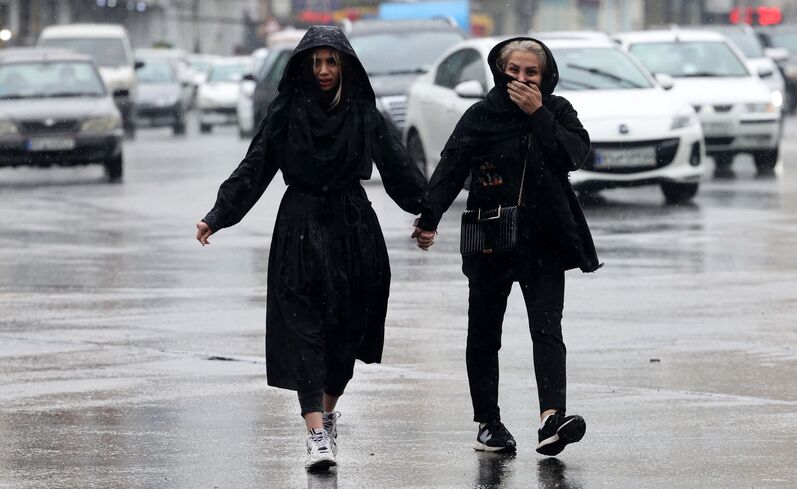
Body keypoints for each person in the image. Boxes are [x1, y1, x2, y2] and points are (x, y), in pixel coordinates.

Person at [196, 26, 434, 471]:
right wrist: (219, 214)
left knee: (345, 332)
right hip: (300, 226)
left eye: (331, 61)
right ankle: (316, 434)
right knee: (304, 329)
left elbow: (400, 168)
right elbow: (255, 167)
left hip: (352, 226)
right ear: (304, 65)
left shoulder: (364, 113)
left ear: (344, 65)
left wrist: (428, 213)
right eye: (316, 61)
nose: (323, 70)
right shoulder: (286, 113)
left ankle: (326, 413)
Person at [413, 37, 601, 456]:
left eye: (530, 73)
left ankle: (551, 420)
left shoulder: (558, 110)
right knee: (484, 334)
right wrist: (429, 218)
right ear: (500, 72)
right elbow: (450, 166)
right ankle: (488, 423)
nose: (521, 79)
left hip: (545, 241)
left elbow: (575, 154)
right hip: (491, 240)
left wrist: (538, 115)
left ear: (545, 76)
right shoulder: (480, 115)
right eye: (513, 71)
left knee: (547, 330)